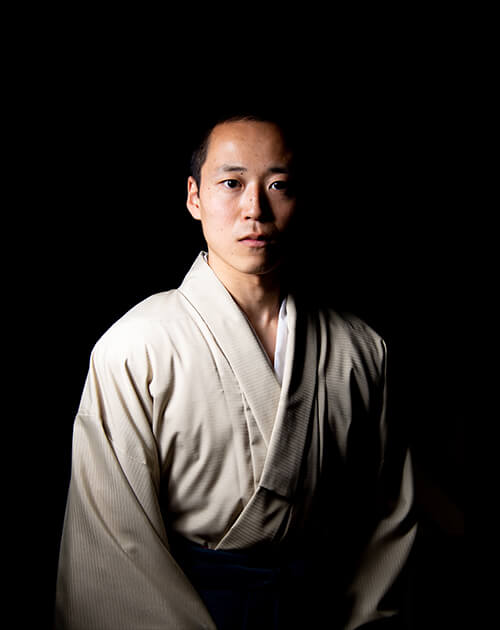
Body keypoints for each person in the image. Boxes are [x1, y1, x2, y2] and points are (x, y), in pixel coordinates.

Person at [55, 112, 416, 629]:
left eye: (278, 185)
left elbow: (386, 520)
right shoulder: (135, 346)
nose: (255, 209)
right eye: (232, 183)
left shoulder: (360, 348)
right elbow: (112, 540)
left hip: (322, 609)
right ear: (194, 197)